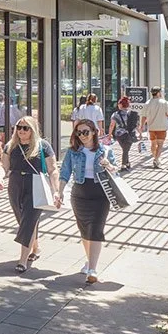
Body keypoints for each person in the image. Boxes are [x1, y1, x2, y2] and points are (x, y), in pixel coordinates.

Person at [57, 119, 118, 284]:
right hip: (80, 194)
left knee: (96, 230)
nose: (82, 135)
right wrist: (59, 192)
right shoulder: (73, 152)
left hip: (100, 194)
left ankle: (92, 269)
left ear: (94, 132)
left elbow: (116, 171)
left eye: (85, 132)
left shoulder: (105, 150)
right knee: (84, 231)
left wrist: (108, 165)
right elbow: (65, 172)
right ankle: (90, 262)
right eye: (79, 132)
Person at [0, 117, 59, 272]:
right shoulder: (11, 145)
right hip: (15, 184)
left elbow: (53, 169)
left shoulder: (43, 145)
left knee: (28, 221)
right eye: (19, 127)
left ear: (33, 130)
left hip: (36, 185)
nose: (21, 130)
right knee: (23, 220)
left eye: (25, 128)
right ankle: (36, 247)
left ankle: (22, 261)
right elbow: (3, 165)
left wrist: (56, 191)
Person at [138, 88, 168, 169]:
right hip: (162, 127)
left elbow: (144, 116)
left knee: (153, 144)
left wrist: (142, 125)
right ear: (158, 93)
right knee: (160, 145)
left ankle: (156, 158)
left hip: (151, 127)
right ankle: (156, 159)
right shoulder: (164, 102)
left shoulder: (147, 103)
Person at [108, 97, 140, 171]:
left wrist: (110, 134)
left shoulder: (115, 114)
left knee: (125, 149)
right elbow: (136, 125)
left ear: (121, 105)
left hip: (119, 135)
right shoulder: (132, 113)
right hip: (130, 134)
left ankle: (127, 163)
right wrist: (140, 133)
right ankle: (123, 165)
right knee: (126, 149)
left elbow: (112, 125)